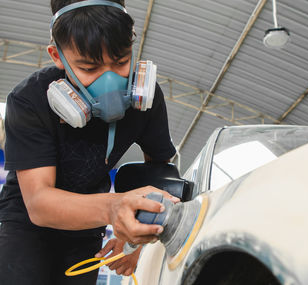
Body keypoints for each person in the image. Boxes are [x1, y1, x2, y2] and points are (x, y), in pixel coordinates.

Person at [0, 0, 178, 284]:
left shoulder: (146, 98)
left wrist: (136, 237)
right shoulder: (29, 99)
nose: (109, 80)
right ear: (57, 56)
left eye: (121, 62)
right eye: (88, 67)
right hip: (26, 227)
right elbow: (38, 202)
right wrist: (114, 209)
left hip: (87, 230)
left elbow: (158, 168)